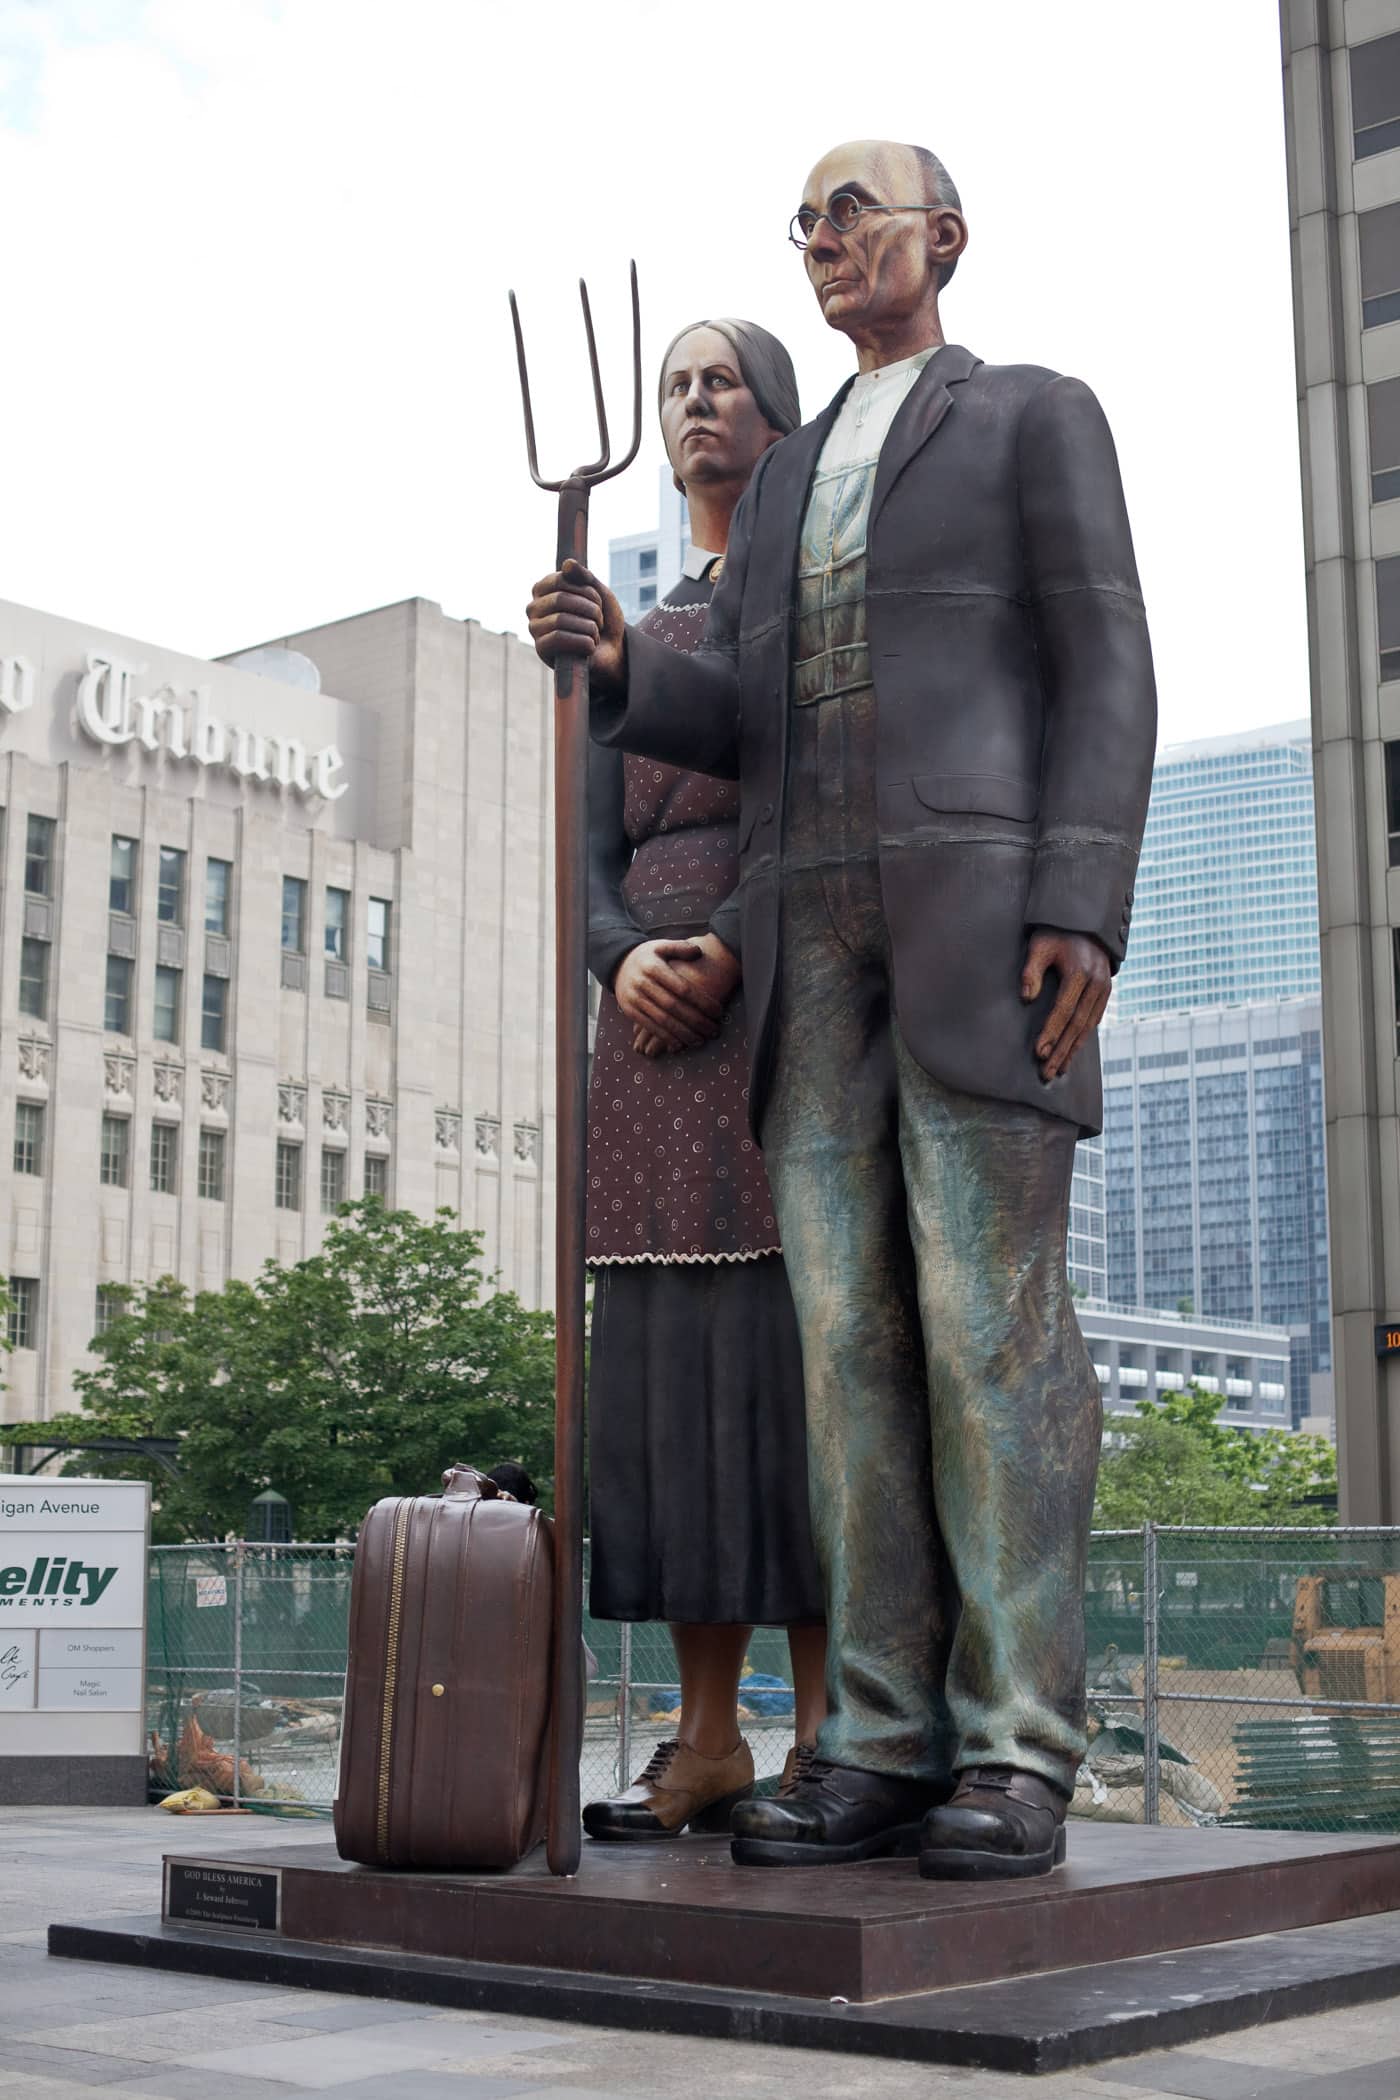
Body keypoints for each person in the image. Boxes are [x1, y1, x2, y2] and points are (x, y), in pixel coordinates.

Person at [527, 140, 1157, 1881]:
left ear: (942, 239)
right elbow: (741, 715)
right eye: (801, 221)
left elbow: (1105, 653)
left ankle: (1020, 1745)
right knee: (850, 1355)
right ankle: (873, 1736)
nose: (822, 240)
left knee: (991, 1336)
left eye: (852, 211)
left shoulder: (1034, 416)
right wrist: (625, 665)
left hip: (979, 935)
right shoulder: (791, 477)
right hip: (808, 953)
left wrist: (1079, 900)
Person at [578, 318, 826, 1844]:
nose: (693, 405)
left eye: (720, 380)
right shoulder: (639, 630)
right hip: (644, 1043)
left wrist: (730, 940)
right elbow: (587, 851)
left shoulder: (816, 611)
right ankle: (707, 1736)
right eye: (675, 386)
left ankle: (833, 1736)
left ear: (778, 417)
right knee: (666, 1384)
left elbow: (826, 803)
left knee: (794, 1374)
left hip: (781, 995)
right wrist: (620, 958)